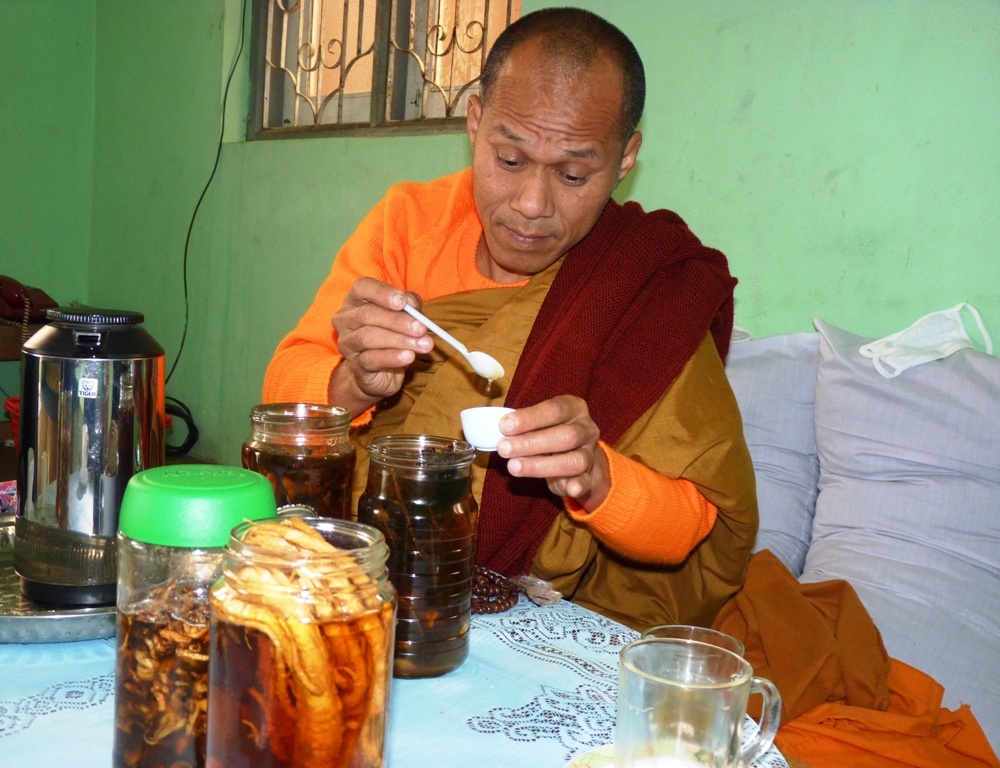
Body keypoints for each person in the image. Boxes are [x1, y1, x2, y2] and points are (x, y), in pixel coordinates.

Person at [263, 7, 757, 631]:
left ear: (626, 157)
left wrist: (597, 478)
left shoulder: (643, 283)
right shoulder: (409, 224)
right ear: (474, 123)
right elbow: (281, 390)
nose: (531, 206)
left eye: (574, 174)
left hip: (546, 613)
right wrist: (352, 382)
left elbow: (689, 529)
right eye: (510, 160)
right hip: (371, 580)